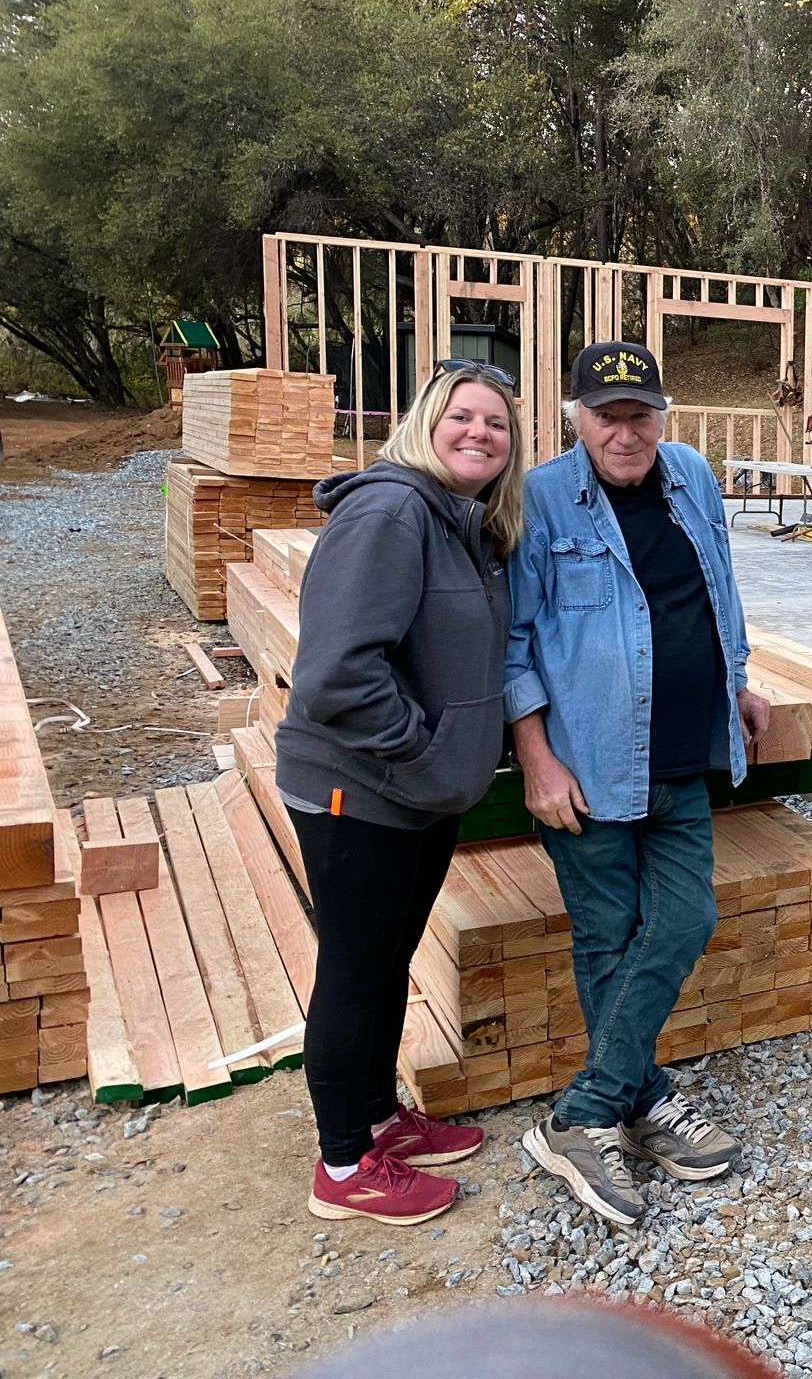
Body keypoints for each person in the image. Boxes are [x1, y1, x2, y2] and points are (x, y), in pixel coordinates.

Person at [506, 341, 770, 1226]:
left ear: (664, 414)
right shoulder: (542, 497)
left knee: (688, 914)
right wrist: (536, 760)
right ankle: (634, 1100)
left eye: (640, 414)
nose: (626, 432)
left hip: (686, 748)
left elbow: (717, 591)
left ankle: (591, 1109)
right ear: (576, 417)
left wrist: (736, 681)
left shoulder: (691, 474)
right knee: (608, 934)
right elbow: (514, 643)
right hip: (587, 762)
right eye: (607, 415)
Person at [276, 359, 524, 1226]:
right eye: (463, 416)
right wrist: (422, 753)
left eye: (496, 423)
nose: (479, 433)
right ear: (426, 423)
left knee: (385, 959)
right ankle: (343, 1166)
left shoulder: (465, 524)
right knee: (352, 968)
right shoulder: (389, 512)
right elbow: (336, 675)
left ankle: (379, 1118)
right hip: (363, 788)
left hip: (417, 794)